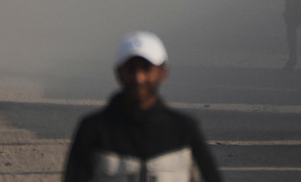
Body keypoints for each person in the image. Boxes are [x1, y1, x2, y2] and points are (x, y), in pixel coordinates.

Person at [63, 31, 222, 182]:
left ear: (163, 73)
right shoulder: (93, 130)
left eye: (146, 68)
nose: (139, 77)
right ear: (118, 73)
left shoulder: (184, 129)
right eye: (131, 69)